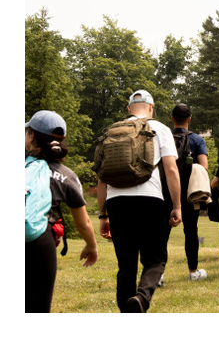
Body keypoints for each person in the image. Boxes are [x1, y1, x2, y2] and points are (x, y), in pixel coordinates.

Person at [97, 90, 182, 312]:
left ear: (128, 110)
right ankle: (142, 298)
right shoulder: (161, 129)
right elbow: (171, 169)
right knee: (155, 258)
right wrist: (177, 206)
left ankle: (127, 312)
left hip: (117, 201)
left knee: (126, 264)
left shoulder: (112, 132)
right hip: (149, 199)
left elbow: (102, 178)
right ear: (151, 108)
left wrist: (103, 214)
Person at [25, 110, 98, 313]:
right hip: (40, 241)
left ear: (31, 136)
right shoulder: (67, 176)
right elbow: (83, 223)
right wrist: (91, 246)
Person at [166, 103, 209, 282]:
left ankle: (158, 274)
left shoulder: (164, 137)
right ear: (189, 119)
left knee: (162, 232)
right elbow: (204, 167)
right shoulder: (197, 140)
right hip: (190, 193)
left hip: (166, 190)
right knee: (191, 231)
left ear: (172, 119)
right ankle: (193, 271)